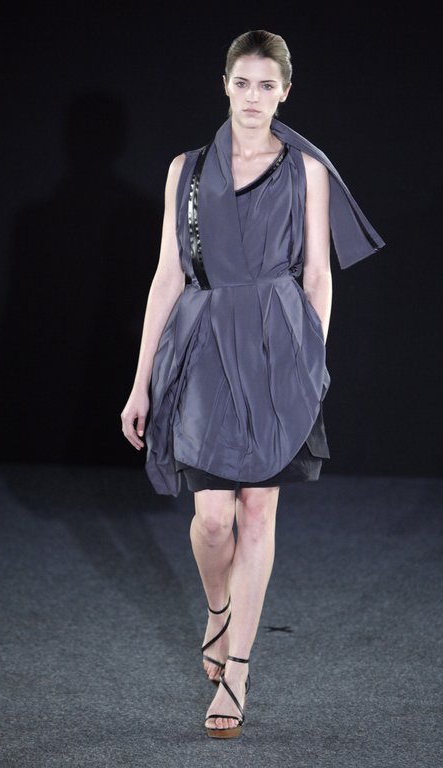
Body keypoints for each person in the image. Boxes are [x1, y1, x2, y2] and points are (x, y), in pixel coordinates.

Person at [121, 29, 384, 739]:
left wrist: (311, 361)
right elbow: (168, 275)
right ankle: (218, 607)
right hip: (204, 345)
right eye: (243, 83)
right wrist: (140, 383)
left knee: (259, 513)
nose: (254, 97)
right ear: (226, 85)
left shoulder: (306, 172)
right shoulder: (187, 169)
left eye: (268, 85)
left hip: (277, 348)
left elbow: (318, 275)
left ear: (285, 93)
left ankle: (236, 671)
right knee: (212, 520)